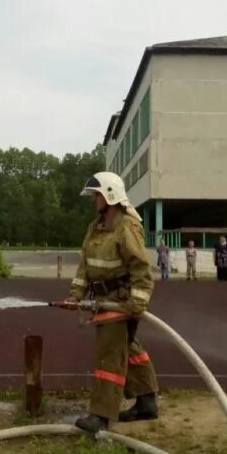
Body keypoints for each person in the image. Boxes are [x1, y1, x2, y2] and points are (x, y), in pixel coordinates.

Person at [67, 172, 159, 433]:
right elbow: (86, 266)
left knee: (109, 357)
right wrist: (75, 296)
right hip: (102, 300)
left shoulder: (126, 227)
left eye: (97, 195)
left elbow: (141, 269)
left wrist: (137, 303)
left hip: (119, 303)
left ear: (110, 195)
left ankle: (100, 415)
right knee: (128, 349)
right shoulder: (95, 228)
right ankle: (146, 401)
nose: (93, 200)